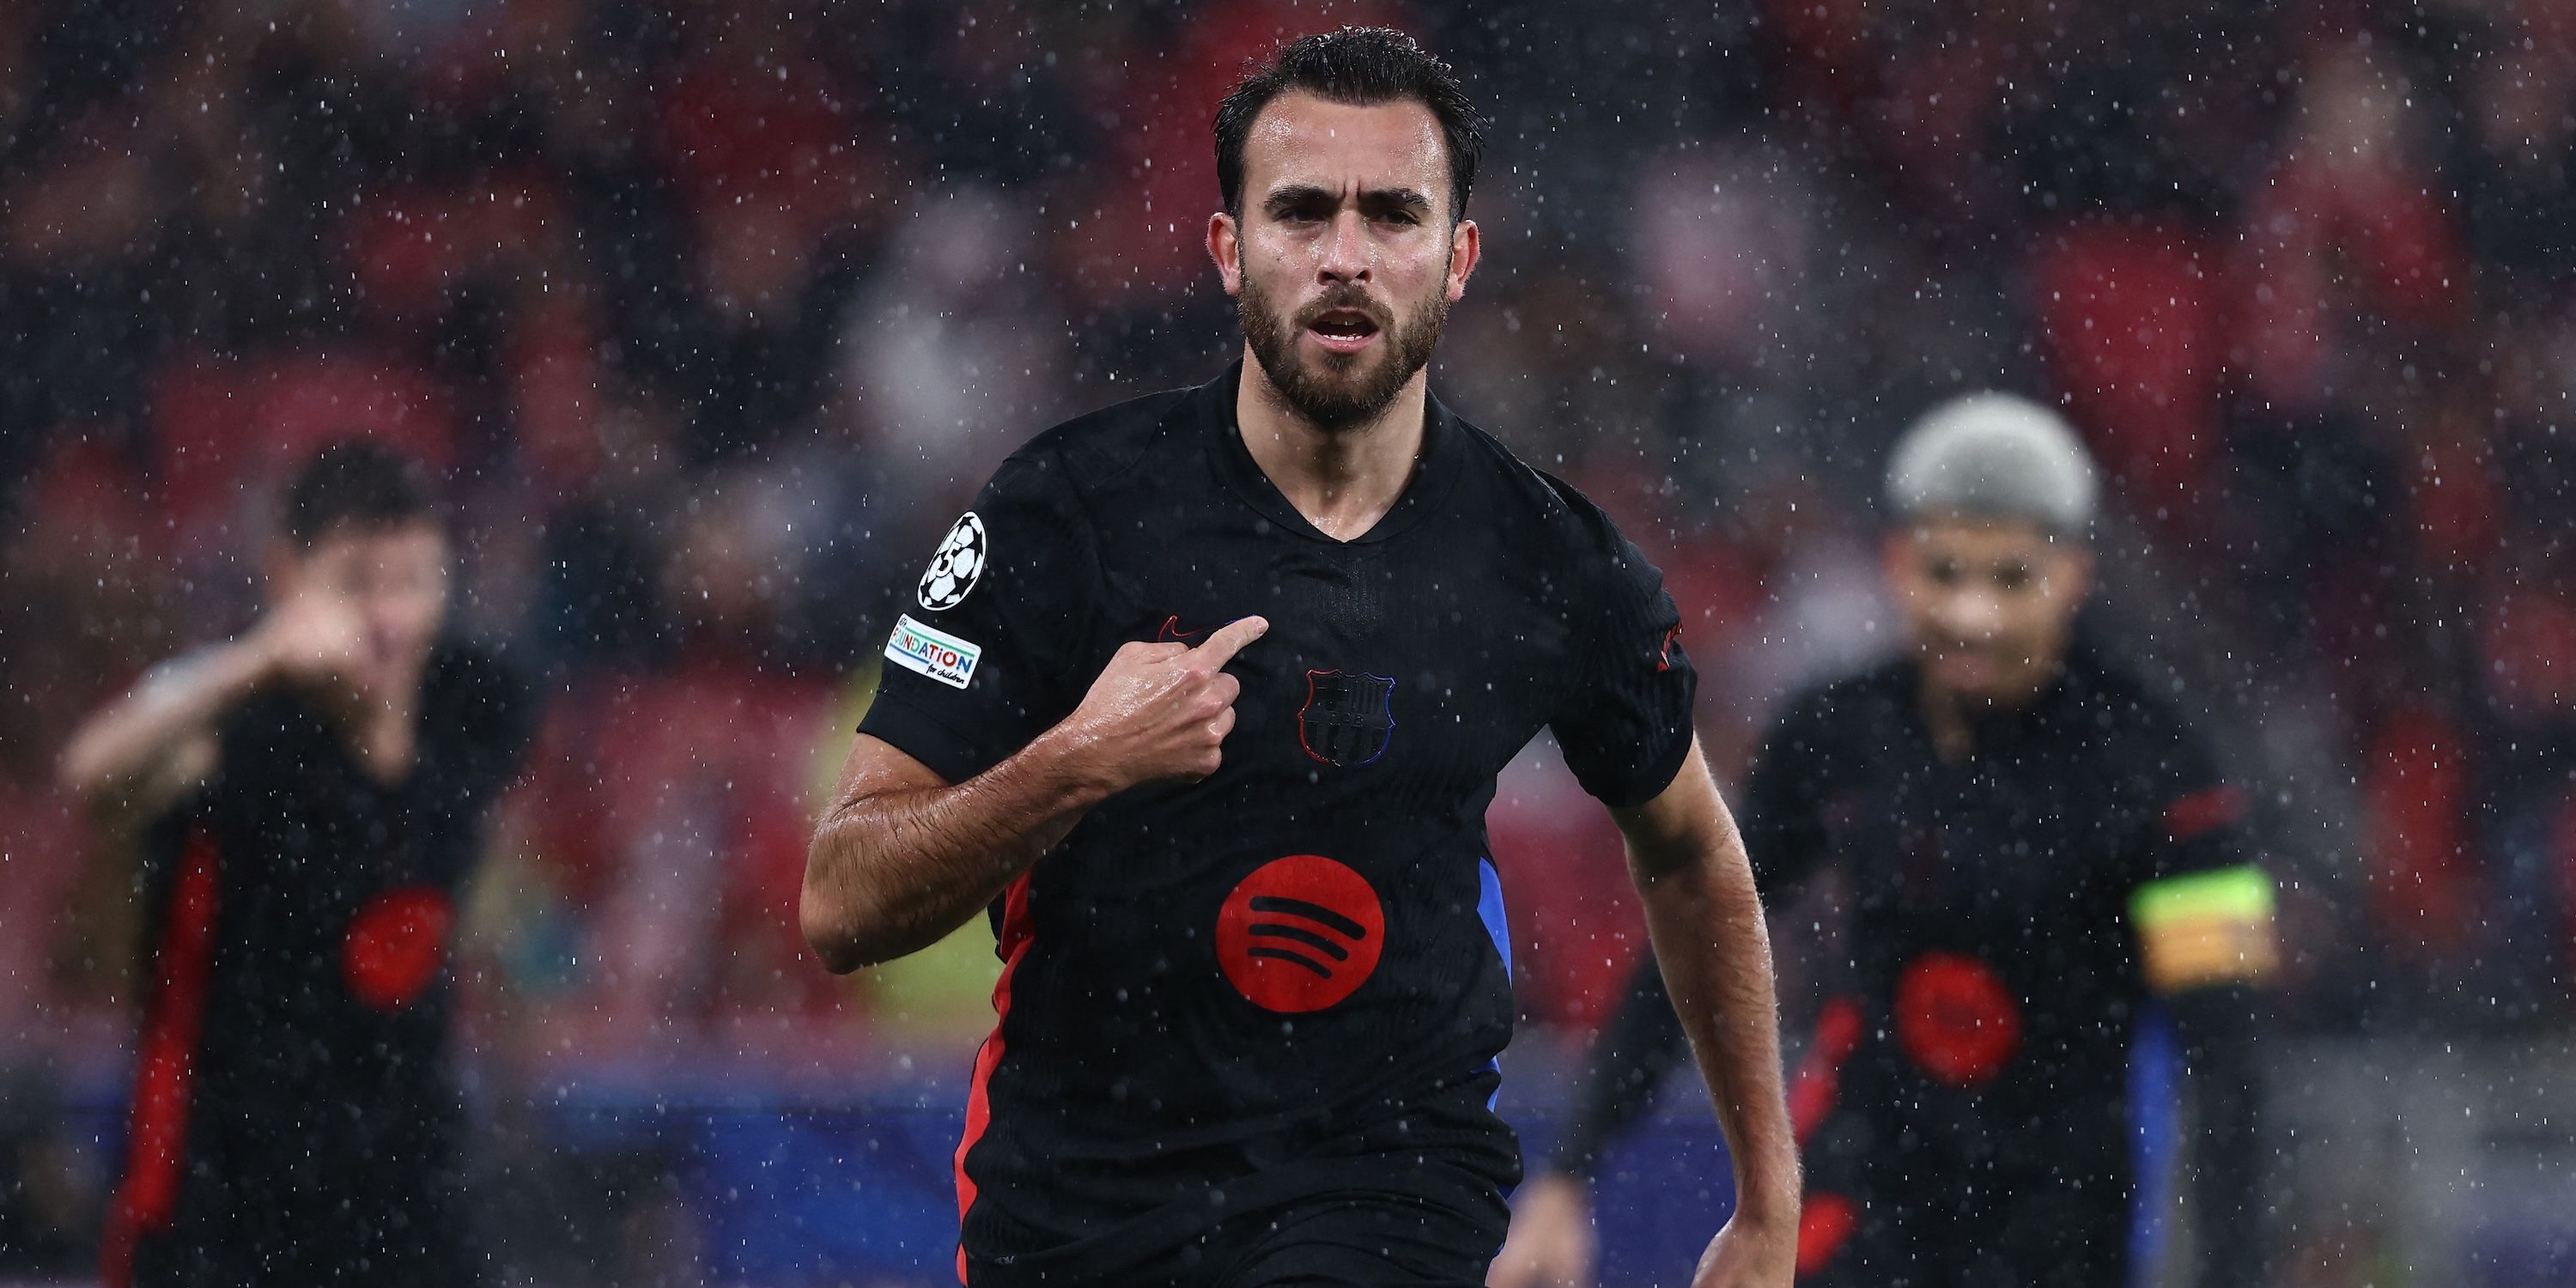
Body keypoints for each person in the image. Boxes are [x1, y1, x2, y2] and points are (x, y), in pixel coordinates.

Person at [801, 27, 1800, 1288]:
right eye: (1301, 212)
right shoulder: (1063, 514)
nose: (1345, 256)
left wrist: (1767, 1198)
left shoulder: (1554, 563)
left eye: (1392, 215)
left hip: (1390, 1188)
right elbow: (841, 901)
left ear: (1460, 257)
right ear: (1228, 250)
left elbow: (1695, 854)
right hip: (1080, 1206)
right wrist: (1077, 763)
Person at [1489, 395, 2273, 1287]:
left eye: (2010, 579)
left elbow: (2229, 1055)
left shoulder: (2169, 773)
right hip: (1863, 1191)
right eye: (1946, 574)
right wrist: (1565, 1178)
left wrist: (2233, 1268)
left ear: (2072, 576)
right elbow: (1702, 940)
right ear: (1898, 567)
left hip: (2059, 1225)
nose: (1973, 614)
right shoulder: (1836, 734)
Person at [62, 441, 534, 1287]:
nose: (389, 618)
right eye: (356, 583)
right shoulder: (230, 727)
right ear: (287, 576)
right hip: (220, 1194)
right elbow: (94, 775)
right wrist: (255, 660)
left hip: (402, 1185)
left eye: (413, 582)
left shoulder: (476, 705)